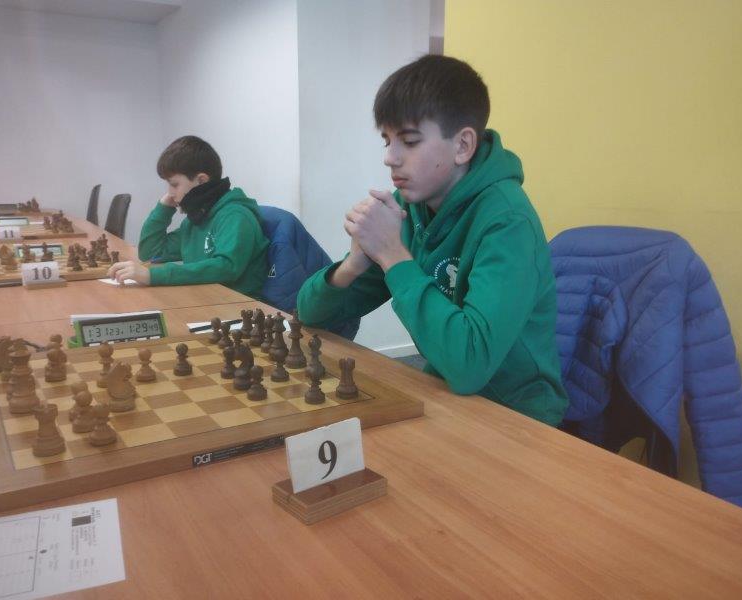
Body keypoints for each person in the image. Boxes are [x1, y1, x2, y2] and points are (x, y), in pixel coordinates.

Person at [296, 55, 568, 426]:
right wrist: (353, 264)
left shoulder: (508, 222)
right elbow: (310, 315)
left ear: (462, 146)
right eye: (387, 141)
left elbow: (469, 366)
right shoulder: (412, 209)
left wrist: (393, 255)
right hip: (443, 392)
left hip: (519, 417)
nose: (390, 158)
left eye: (409, 141)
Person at [108, 135, 268, 298]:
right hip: (204, 298)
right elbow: (151, 253)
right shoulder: (196, 220)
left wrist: (153, 275)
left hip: (237, 305)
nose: (170, 193)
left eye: (174, 184)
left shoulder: (235, 216)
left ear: (201, 181)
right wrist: (163, 208)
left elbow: (226, 268)